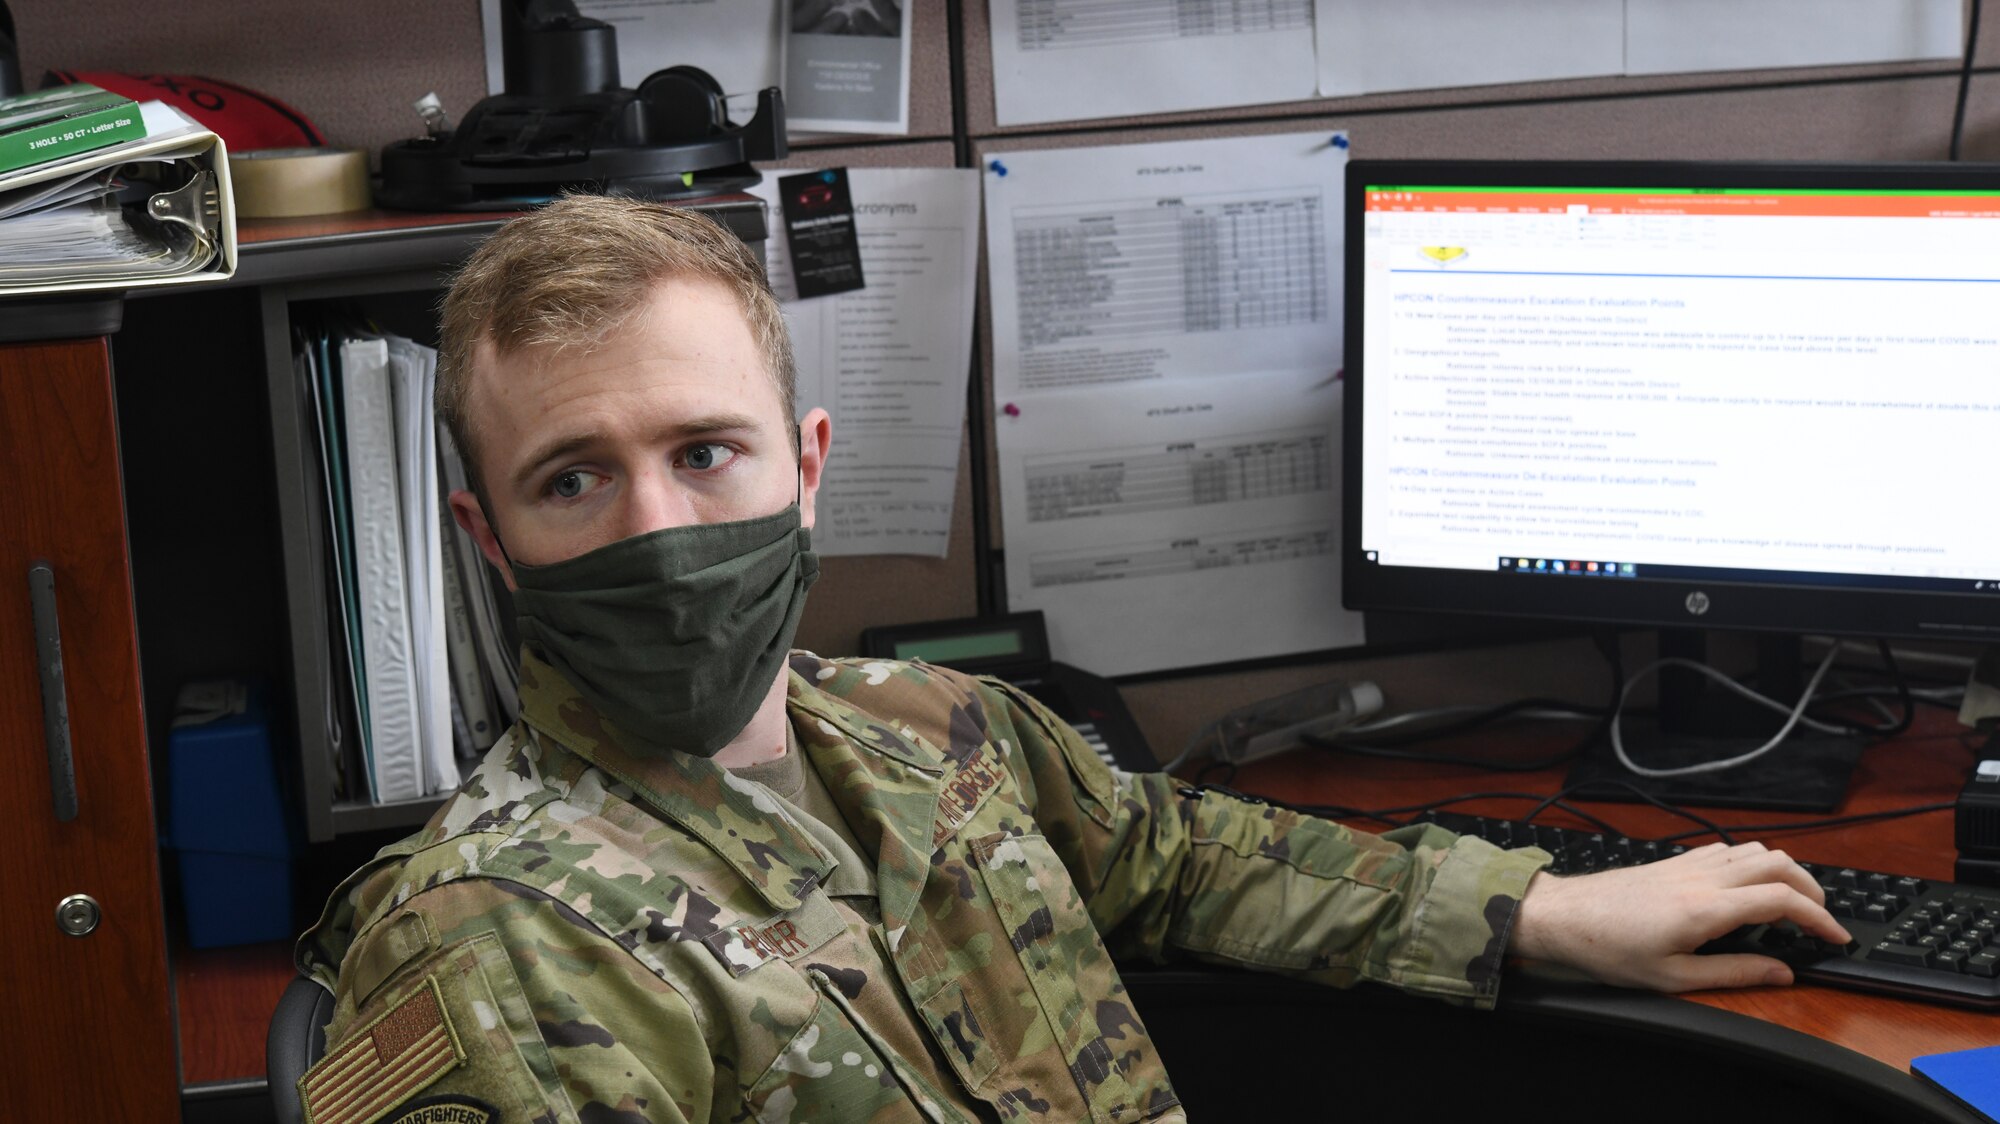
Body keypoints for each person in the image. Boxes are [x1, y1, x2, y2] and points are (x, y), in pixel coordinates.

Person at [296, 193, 1851, 1124]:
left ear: (806, 466)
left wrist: (1543, 911)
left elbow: (1179, 856)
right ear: (486, 535)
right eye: (575, 479)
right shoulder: (496, 944)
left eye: (707, 453)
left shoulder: (931, 731)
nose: (658, 526)